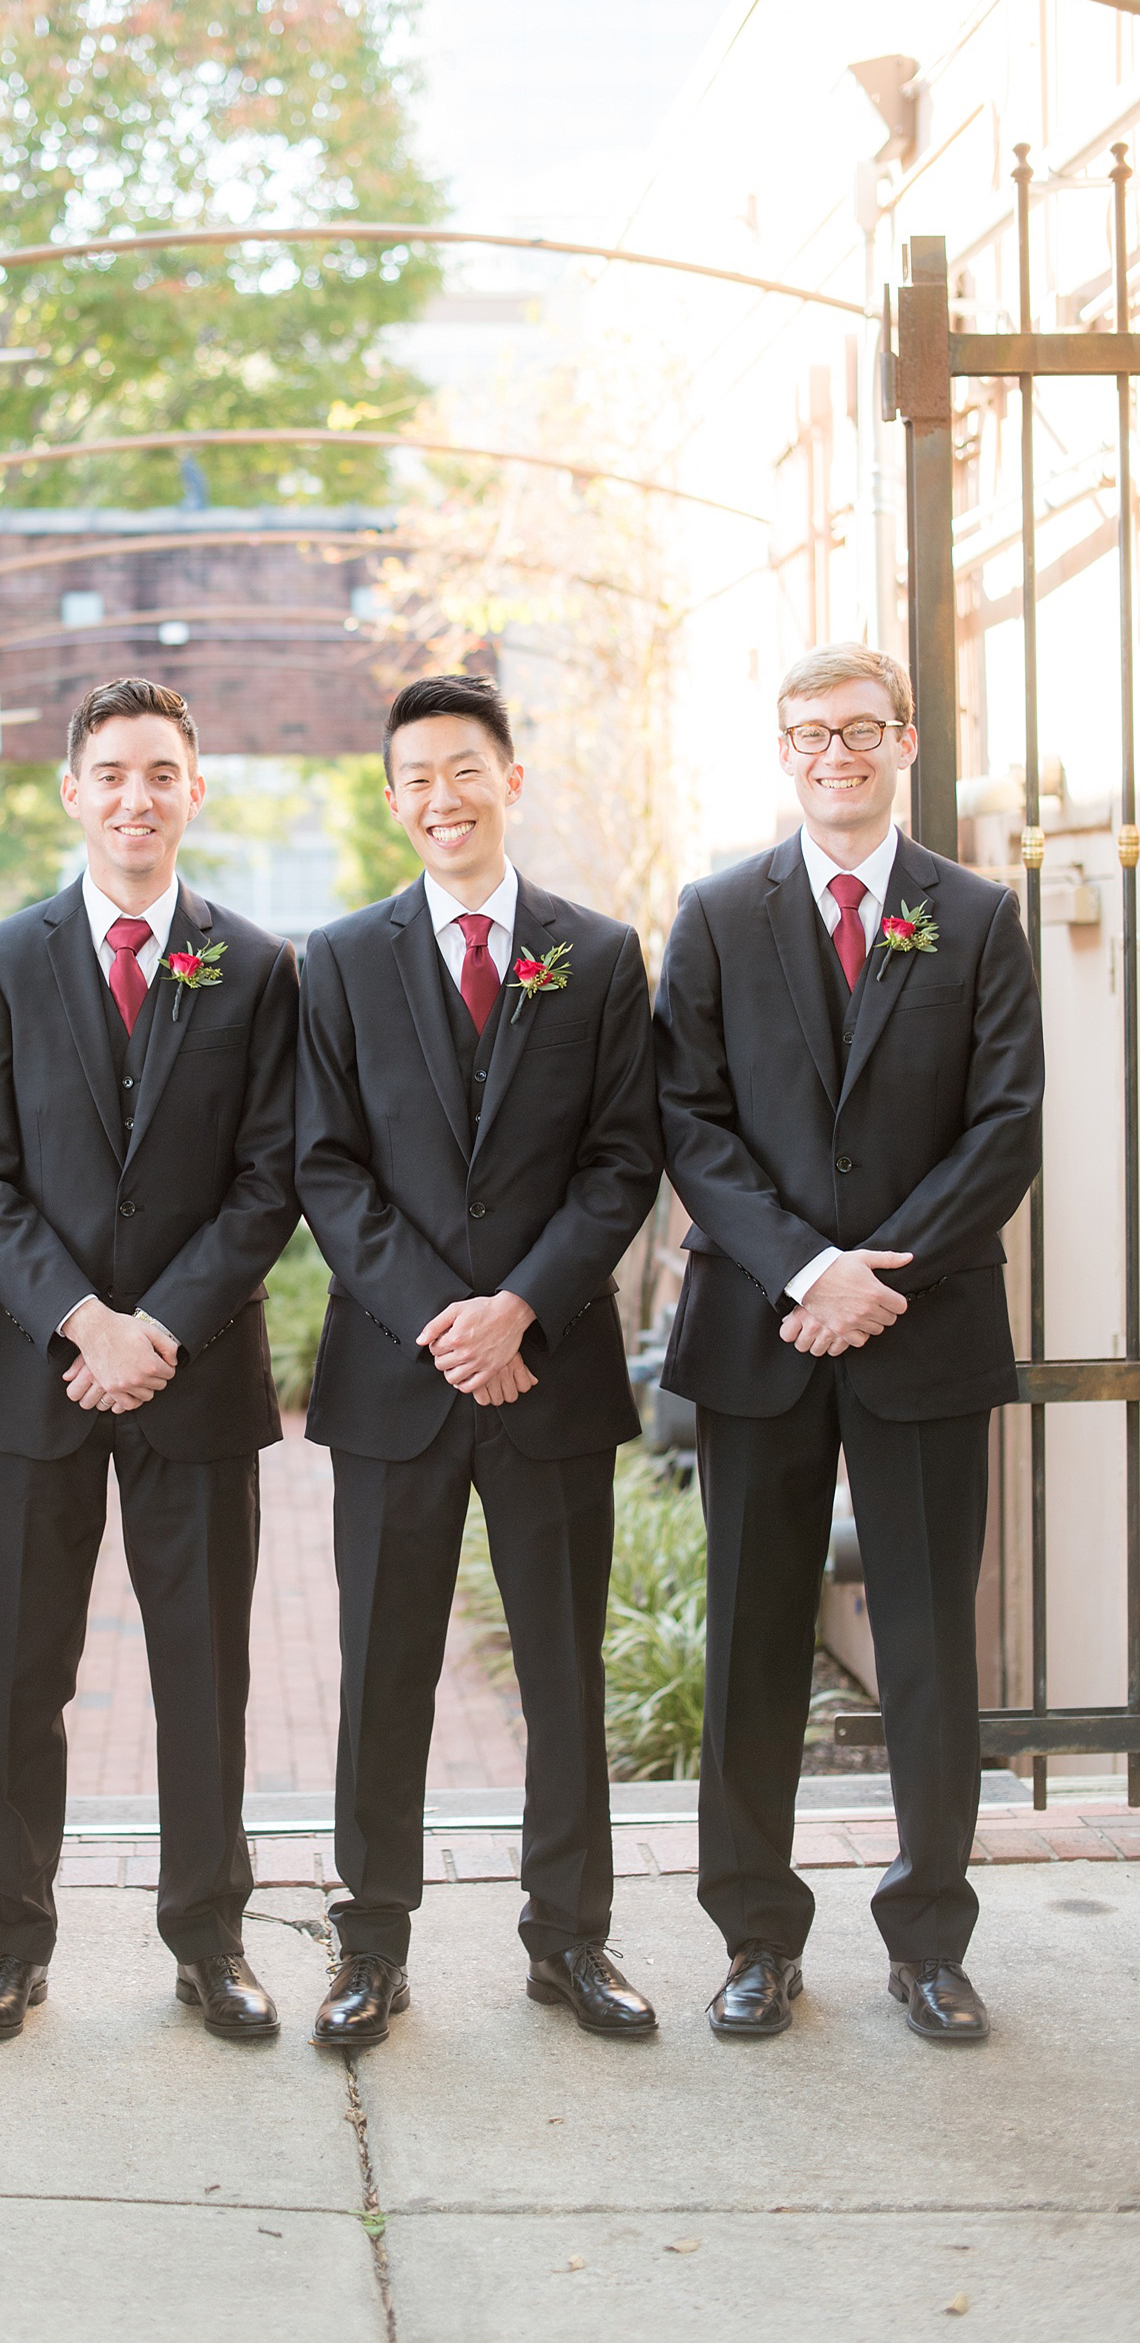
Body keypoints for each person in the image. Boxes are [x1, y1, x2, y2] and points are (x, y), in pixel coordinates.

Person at [653, 644, 1044, 2044]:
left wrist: (885, 1274)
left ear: (906, 742)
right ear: (785, 752)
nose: (836, 753)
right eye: (810, 734)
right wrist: (808, 1267)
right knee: (755, 1641)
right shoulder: (713, 914)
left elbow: (1006, 1124)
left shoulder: (979, 917)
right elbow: (686, 1117)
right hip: (761, 1327)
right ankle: (756, 1936)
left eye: (860, 729)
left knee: (932, 1645)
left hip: (923, 1328)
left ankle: (931, 1938)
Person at [294, 672, 663, 2047]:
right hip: (397, 1378)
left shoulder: (600, 953)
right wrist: (446, 1322)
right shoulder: (335, 960)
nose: (441, 797)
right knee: (383, 1664)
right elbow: (325, 1168)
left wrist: (522, 1309)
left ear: (512, 778)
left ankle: (571, 1938)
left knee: (564, 1667)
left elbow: (626, 1158)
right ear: (394, 802)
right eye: (417, 779)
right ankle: (371, 1943)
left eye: (465, 769)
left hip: (549, 1369)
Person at [0, 677, 300, 2044]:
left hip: (195, 1376)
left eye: (163, 772)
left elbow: (272, 1180)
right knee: (21, 1672)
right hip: (37, 1374)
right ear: (73, 793)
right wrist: (82, 1318)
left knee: (203, 1672)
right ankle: (11, 1945)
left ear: (193, 792)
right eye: (112, 772)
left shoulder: (261, 966)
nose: (137, 796)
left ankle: (209, 1941)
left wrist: (162, 1327)